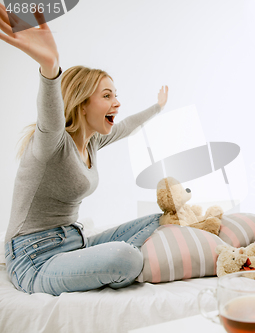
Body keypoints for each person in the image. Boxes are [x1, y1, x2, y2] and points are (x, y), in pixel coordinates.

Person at [1, 7, 167, 295]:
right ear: (81, 103)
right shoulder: (51, 144)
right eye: (106, 96)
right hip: (34, 259)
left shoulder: (92, 140)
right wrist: (50, 68)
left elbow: (127, 126)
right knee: (125, 257)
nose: (116, 103)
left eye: (116, 95)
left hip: (75, 242)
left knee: (161, 219)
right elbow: (49, 117)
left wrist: (158, 107)